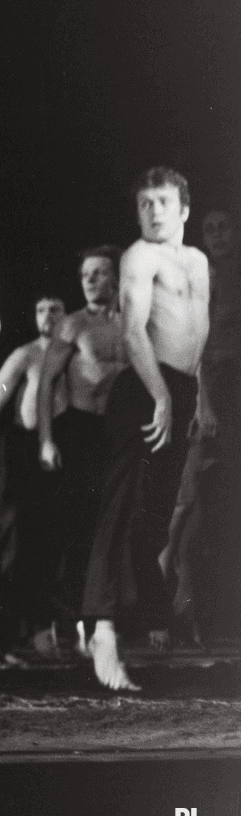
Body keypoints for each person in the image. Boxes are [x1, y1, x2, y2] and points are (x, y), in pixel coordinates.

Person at [82, 168, 210, 691]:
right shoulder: (139, 257)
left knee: (154, 521)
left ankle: (134, 616)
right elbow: (134, 331)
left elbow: (196, 330)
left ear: (183, 209)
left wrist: (194, 396)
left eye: (162, 201)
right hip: (143, 389)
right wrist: (159, 394)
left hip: (179, 393)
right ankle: (102, 630)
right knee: (120, 511)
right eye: (144, 204)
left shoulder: (198, 261)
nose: (153, 211)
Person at [36, 246, 127, 655]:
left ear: (115, 277)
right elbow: (45, 383)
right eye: (86, 273)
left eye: (100, 272)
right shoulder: (71, 326)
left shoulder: (131, 325)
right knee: (77, 529)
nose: (90, 280)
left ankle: (100, 623)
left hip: (119, 433)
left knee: (113, 531)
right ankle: (66, 619)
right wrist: (46, 439)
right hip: (80, 430)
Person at [0, 295, 67, 663]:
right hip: (21, 453)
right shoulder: (25, 355)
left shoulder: (73, 352)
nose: (47, 315)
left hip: (58, 454)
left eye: (54, 309)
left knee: (48, 548)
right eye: (40, 309)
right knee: (9, 546)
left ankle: (40, 631)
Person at [167, 209, 237, 640]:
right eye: (208, 229)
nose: (216, 235)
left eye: (224, 226)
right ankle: (177, 585)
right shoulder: (201, 279)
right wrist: (204, 404)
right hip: (213, 392)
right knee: (195, 498)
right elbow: (193, 345)